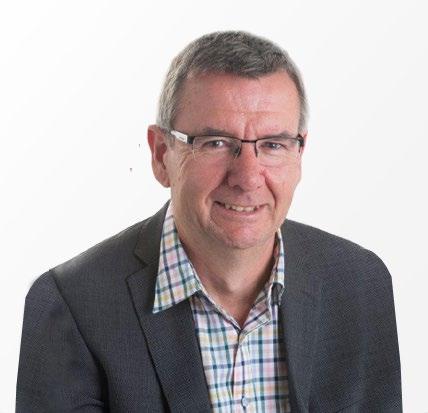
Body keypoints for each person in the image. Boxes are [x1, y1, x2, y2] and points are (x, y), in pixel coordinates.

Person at [16, 31, 402, 412]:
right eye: (216, 143)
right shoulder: (72, 307)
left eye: (273, 145)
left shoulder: (360, 285)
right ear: (161, 154)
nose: (247, 178)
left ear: (299, 155)